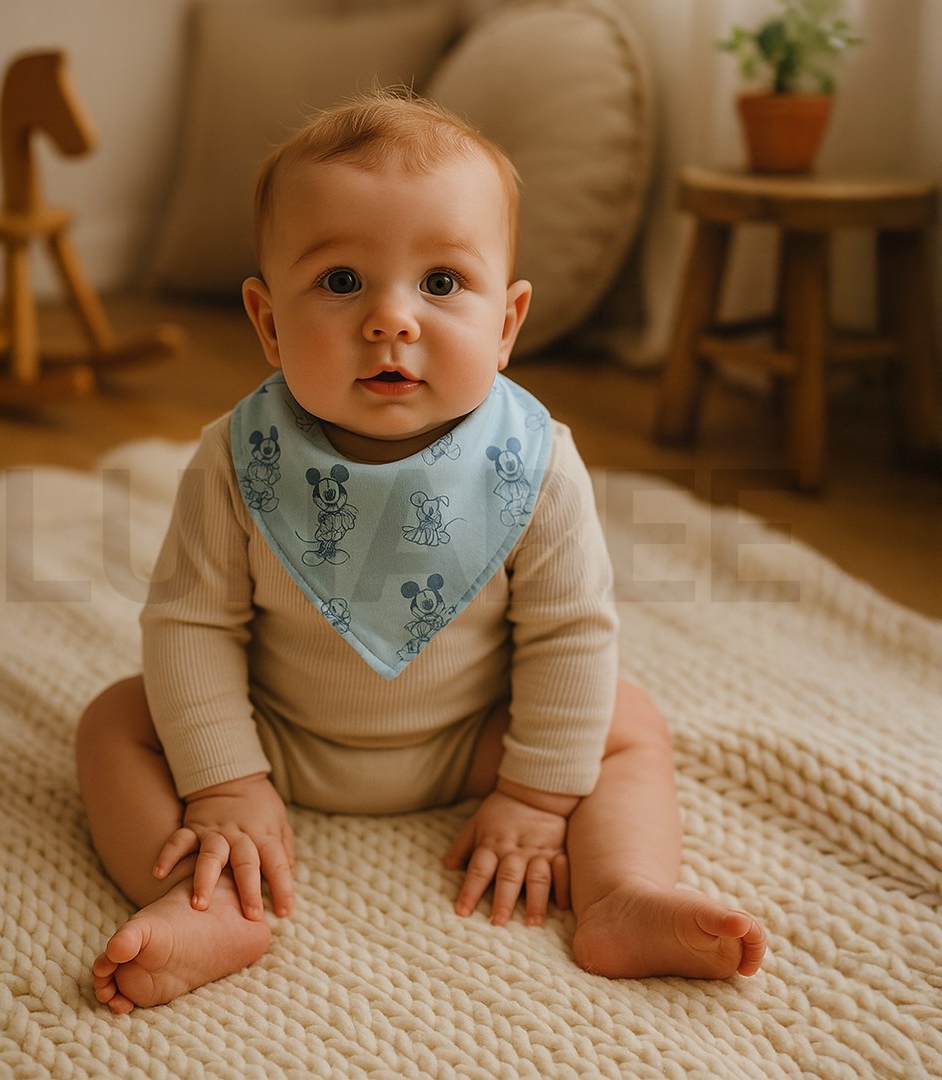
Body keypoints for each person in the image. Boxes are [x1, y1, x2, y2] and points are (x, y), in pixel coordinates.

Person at [77, 91, 766, 1015]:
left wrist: (537, 796)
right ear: (268, 322)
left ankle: (619, 893)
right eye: (340, 281)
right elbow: (190, 624)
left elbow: (568, 634)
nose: (391, 319)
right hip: (277, 731)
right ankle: (202, 904)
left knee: (626, 720)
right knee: (115, 723)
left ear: (507, 323)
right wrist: (224, 782)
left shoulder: (534, 464)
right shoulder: (238, 460)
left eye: (441, 282)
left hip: (471, 737)